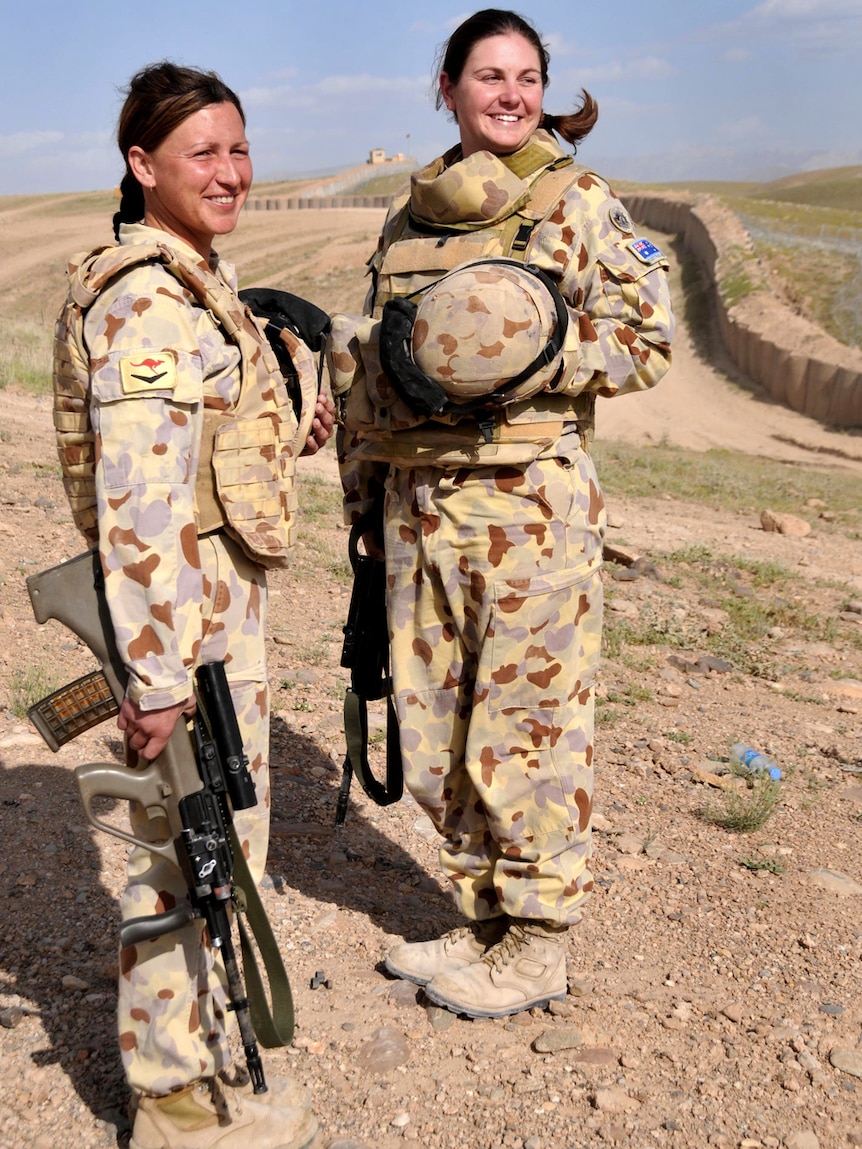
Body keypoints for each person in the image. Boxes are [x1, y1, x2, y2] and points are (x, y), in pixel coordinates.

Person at [329, 9, 673, 1020]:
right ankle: (482, 920)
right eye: (489, 76)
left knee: (523, 734)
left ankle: (537, 944)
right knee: (434, 730)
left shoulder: (576, 204)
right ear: (447, 87)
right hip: (414, 504)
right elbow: (378, 362)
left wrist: (524, 361)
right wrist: (362, 485)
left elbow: (644, 343)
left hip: (527, 515)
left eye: (527, 77)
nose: (511, 95)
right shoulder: (409, 218)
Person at [52, 62, 332, 1148]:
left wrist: (279, 428)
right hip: (186, 624)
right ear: (142, 165)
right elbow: (136, 508)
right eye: (203, 153)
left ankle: (198, 1064)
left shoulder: (193, 276)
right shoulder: (149, 300)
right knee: (185, 849)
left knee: (217, 840)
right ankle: (172, 1106)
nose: (231, 172)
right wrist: (160, 678)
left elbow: (203, 447)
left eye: (240, 148)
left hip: (211, 615)